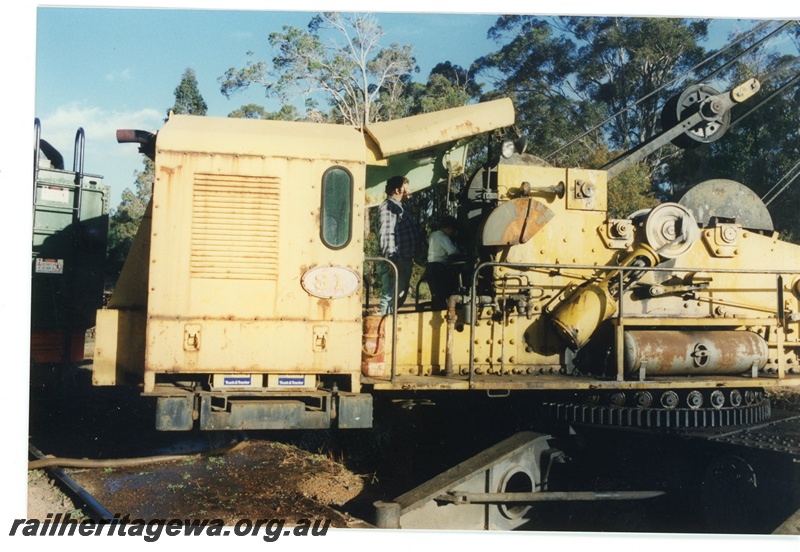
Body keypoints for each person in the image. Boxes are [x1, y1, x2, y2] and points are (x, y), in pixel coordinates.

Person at [376, 176, 425, 315]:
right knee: (390, 297)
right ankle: (379, 324)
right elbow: (386, 234)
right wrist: (391, 261)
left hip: (403, 260)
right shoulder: (388, 207)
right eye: (406, 188)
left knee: (398, 297)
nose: (409, 191)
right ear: (397, 190)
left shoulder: (399, 209)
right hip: (396, 261)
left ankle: (386, 322)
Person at [426, 215, 461, 310]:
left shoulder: (433, 235)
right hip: (438, 267)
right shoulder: (443, 237)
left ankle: (436, 310)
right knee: (443, 293)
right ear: (448, 228)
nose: (452, 233)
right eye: (452, 230)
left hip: (430, 266)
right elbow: (452, 251)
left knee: (435, 294)